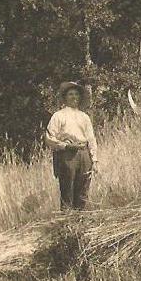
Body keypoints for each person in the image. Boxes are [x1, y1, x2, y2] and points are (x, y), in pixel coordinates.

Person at [45, 81, 97, 210]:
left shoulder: (84, 117)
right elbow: (49, 138)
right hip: (67, 155)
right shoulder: (58, 116)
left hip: (84, 154)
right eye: (70, 94)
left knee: (83, 189)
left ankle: (81, 220)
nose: (74, 97)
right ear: (65, 97)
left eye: (76, 94)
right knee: (67, 189)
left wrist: (94, 158)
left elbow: (91, 138)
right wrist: (64, 146)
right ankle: (67, 222)